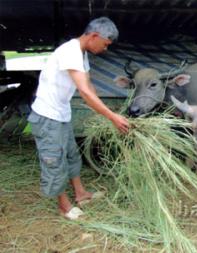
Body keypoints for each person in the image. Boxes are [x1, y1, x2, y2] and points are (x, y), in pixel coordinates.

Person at [27, 17, 129, 220]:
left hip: (61, 114)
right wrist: (112, 117)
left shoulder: (81, 54)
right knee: (55, 160)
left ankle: (81, 195)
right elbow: (83, 92)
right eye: (105, 44)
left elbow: (89, 86)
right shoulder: (69, 51)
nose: (105, 49)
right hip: (47, 116)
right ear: (94, 36)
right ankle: (64, 206)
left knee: (72, 155)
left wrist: (107, 112)